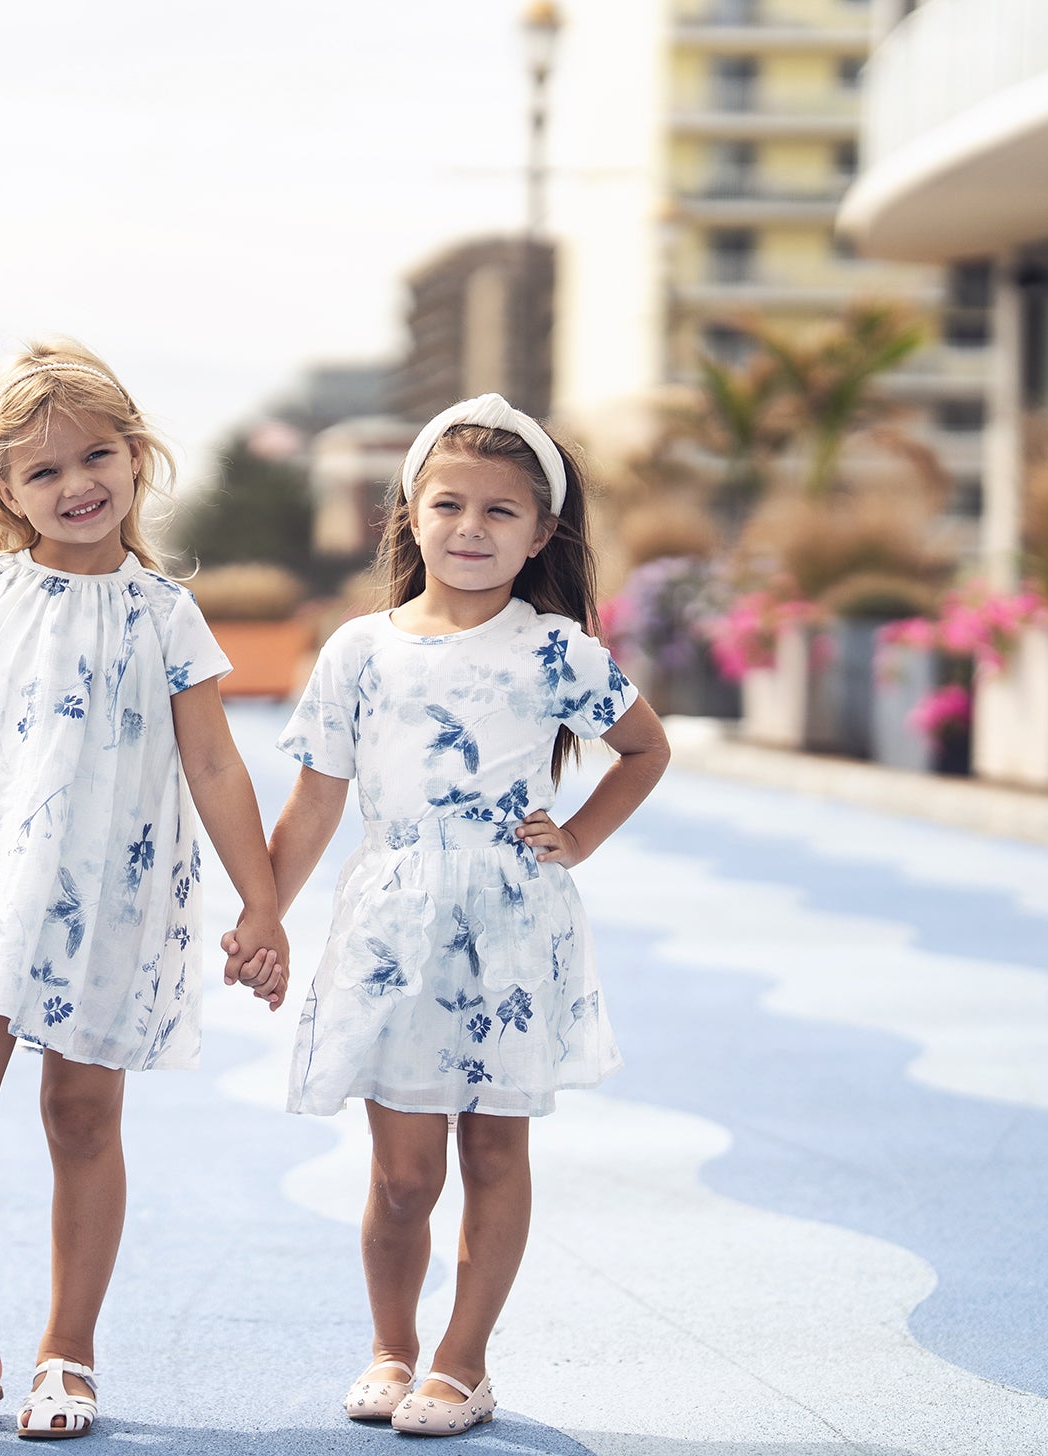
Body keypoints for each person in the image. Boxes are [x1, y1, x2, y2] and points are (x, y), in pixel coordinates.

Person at [0, 340, 288, 1440]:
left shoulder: (166, 613)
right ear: (2, 490)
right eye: (43, 472)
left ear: (139, 458)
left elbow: (213, 765)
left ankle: (69, 1351)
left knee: (83, 1117)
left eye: (97, 454)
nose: (77, 484)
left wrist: (263, 902)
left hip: (109, 898)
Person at [257, 395, 669, 1436]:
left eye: (500, 510)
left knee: (492, 1154)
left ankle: (461, 1358)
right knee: (402, 1174)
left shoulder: (557, 649)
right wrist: (262, 913)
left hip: (512, 929)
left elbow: (646, 750)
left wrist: (575, 837)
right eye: (449, 504)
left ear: (542, 536)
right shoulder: (357, 650)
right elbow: (315, 803)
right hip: (392, 929)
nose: (471, 527)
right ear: (409, 514)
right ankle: (391, 1344)